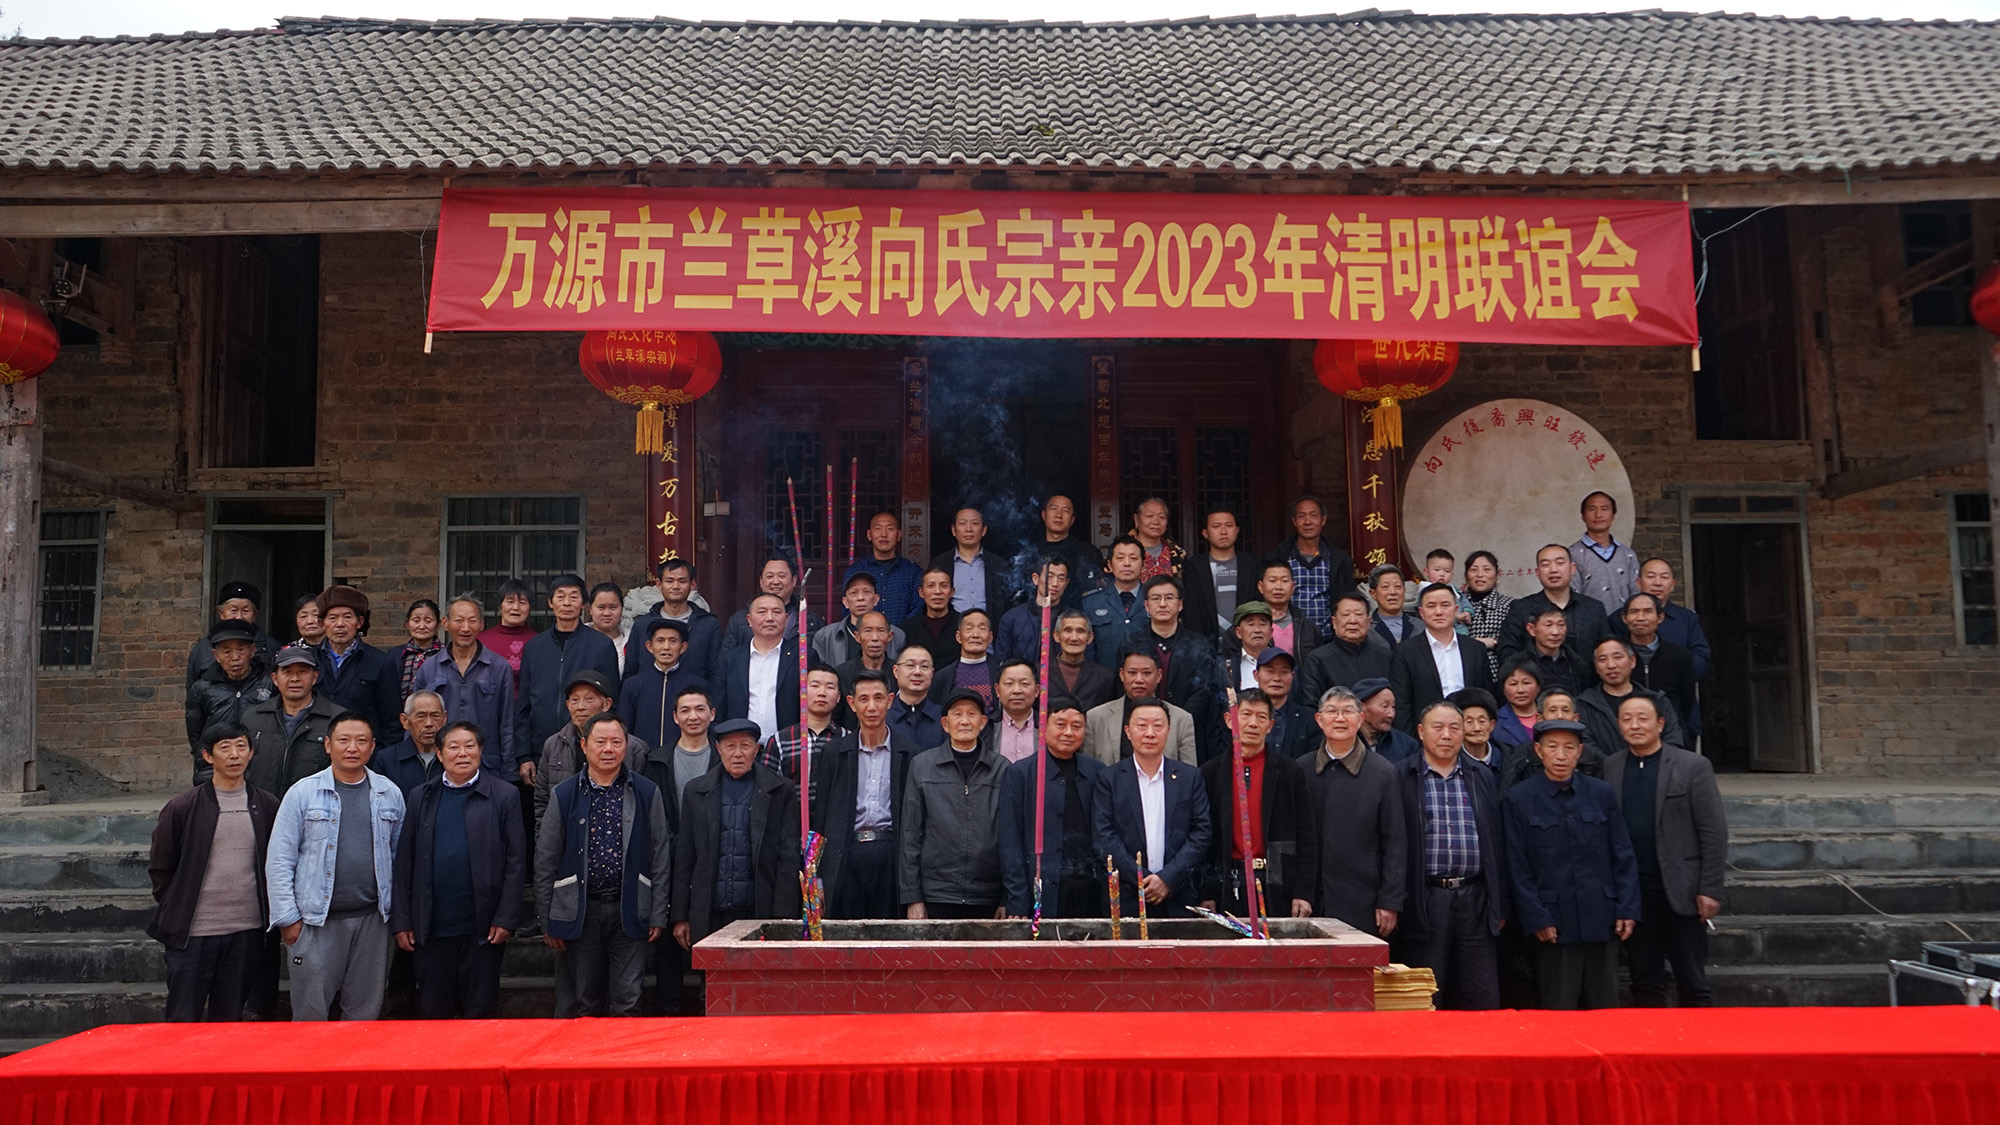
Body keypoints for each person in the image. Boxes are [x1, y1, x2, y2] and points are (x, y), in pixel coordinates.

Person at [265, 711, 405, 1021]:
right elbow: (280, 859)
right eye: (344, 740)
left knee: (364, 1013)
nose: (352, 748)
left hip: (373, 921)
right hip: (316, 922)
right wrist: (288, 919)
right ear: (328, 745)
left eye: (361, 741)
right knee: (311, 1016)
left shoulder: (389, 794)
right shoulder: (302, 793)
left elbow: (398, 857)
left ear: (372, 747)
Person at [535, 713, 671, 1017]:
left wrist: (658, 913)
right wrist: (548, 919)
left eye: (616, 742)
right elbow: (547, 860)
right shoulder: (564, 794)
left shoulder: (647, 792)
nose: (609, 749)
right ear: (584, 745)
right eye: (600, 742)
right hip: (582, 911)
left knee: (628, 999)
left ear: (627, 745)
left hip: (630, 908)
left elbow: (660, 855)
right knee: (585, 1000)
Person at [1502, 718, 1640, 1010]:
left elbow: (1623, 855)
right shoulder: (1519, 798)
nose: (1561, 755)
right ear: (1539, 751)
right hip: (1554, 921)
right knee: (1558, 1007)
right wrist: (1537, 918)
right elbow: (1517, 866)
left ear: (1580, 752)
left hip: (1602, 916)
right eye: (1552, 747)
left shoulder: (1601, 793)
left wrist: (1627, 907)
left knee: (1605, 1008)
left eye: (1569, 747)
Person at [390, 721, 524, 1019]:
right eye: (453, 747)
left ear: (481, 751)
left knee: (480, 1013)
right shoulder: (421, 796)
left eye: (469, 746)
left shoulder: (504, 795)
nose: (462, 753)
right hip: (432, 927)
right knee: (434, 1013)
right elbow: (405, 861)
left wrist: (506, 918)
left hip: (483, 928)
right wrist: (402, 920)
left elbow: (516, 862)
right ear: (439, 754)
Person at [1605, 693, 1728, 1008]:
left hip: (1682, 890)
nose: (1635, 725)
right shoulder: (1611, 766)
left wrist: (1710, 889)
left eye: (1643, 718)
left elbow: (1713, 832)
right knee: (1644, 982)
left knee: (1693, 982)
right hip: (1635, 893)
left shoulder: (1692, 766)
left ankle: (1697, 1037)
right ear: (1619, 725)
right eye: (1627, 719)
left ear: (1660, 724)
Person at [148, 722, 277, 1022]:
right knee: (183, 1019)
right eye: (225, 747)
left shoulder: (266, 805)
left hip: (246, 932)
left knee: (229, 1020)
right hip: (193, 933)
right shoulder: (182, 807)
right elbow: (161, 868)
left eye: (241, 746)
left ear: (251, 752)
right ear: (208, 756)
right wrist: (177, 906)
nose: (235, 755)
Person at [1394, 701, 1508, 1011]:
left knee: (1481, 994)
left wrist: (1499, 900)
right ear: (1420, 732)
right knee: (1426, 993)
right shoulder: (1401, 775)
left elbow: (1496, 842)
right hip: (1425, 897)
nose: (1447, 735)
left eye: (1454, 727)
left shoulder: (1481, 774)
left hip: (1475, 896)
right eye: (1438, 727)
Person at [671, 718, 802, 955]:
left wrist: (783, 916)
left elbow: (788, 858)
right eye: (730, 746)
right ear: (718, 749)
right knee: (711, 974)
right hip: (710, 908)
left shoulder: (780, 791)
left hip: (760, 907)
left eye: (745, 746)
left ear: (757, 749)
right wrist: (681, 915)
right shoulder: (696, 791)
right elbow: (685, 857)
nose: (738, 754)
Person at [637, 684, 720, 1014]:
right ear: (674, 717)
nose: (693, 716)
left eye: (700, 709)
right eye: (685, 710)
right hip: (668, 862)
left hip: (713, 862)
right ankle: (668, 1012)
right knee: (668, 944)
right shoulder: (656, 761)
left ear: (712, 714)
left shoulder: (723, 758)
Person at [1198, 689, 1314, 919]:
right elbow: (1204, 838)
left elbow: (1307, 836)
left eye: (1261, 717)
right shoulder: (1210, 773)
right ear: (1229, 720)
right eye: (1246, 715)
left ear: (1270, 726)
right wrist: (1206, 891)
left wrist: (1303, 892)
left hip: (1277, 877)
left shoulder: (1290, 772)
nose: (1253, 723)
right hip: (1226, 879)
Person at [812, 671, 919, 920]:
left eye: (878, 698)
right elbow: (820, 819)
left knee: (889, 935)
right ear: (851, 703)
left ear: (890, 700)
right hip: (845, 853)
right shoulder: (833, 753)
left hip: (890, 854)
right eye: (863, 699)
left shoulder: (909, 753)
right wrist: (816, 879)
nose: (871, 707)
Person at [1302, 687, 1407, 938]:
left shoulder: (1383, 772)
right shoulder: (1300, 769)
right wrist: (1289, 891)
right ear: (1319, 719)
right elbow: (1282, 839)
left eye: (1348, 711)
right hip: (1308, 901)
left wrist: (1390, 900)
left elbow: (1395, 843)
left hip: (1364, 901)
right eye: (1332, 711)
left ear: (1361, 719)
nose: (1340, 718)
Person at [1093, 697, 1212, 917]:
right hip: (1125, 897)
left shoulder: (1190, 777)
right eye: (1141, 725)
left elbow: (1201, 832)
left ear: (1168, 731)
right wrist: (1142, 879)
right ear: (1128, 732)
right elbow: (1104, 836)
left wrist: (1167, 879)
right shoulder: (1109, 779)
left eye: (1158, 726)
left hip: (1178, 896)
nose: (1150, 733)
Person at [901, 690, 1010, 919]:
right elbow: (911, 835)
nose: (964, 721)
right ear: (945, 723)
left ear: (982, 722)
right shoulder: (922, 766)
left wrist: (1006, 898)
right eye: (957, 714)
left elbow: (1011, 838)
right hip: (936, 893)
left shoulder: (1001, 769)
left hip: (987, 893)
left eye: (972, 714)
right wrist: (913, 897)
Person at [997, 696, 1105, 919]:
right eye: (1060, 724)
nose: (1068, 733)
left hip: (1090, 886)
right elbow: (1010, 840)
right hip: (1043, 886)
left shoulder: (1097, 771)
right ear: (1043, 727)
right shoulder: (1021, 773)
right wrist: (1017, 899)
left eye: (1077, 726)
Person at [515, 573, 623, 789]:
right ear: (550, 602)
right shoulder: (534, 648)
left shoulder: (601, 646)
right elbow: (523, 705)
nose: (566, 603)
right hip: (542, 748)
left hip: (588, 747)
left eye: (573, 597)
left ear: (583, 604)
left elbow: (612, 702)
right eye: (560, 596)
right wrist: (524, 755)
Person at [410, 595, 517, 776]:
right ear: (445, 623)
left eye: (472, 621)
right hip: (438, 767)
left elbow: (508, 723)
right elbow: (414, 722)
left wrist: (509, 771)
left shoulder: (499, 668)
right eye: (459, 621)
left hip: (487, 767)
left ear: (481, 624)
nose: (466, 628)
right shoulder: (429, 669)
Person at [533, 670, 654, 820]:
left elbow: (645, 804)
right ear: (567, 705)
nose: (580, 707)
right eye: (574, 700)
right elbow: (543, 802)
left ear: (606, 704)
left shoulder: (635, 748)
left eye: (589, 699)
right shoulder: (553, 745)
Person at [1390, 582, 1498, 733]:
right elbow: (1402, 704)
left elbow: (1486, 696)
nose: (1438, 612)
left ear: (1456, 609)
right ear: (1421, 612)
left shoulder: (1475, 649)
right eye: (1431, 606)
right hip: (1427, 736)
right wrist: (1411, 741)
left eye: (1445, 605)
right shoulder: (1405, 652)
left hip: (1470, 733)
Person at [242, 644, 342, 796]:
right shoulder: (252, 718)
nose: (295, 679)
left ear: (315, 677)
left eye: (302, 672)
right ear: (275, 678)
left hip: (313, 806)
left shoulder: (337, 720)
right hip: (261, 805)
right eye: (287, 672)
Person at [184, 618, 274, 780]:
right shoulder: (202, 688)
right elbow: (196, 735)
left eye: (241, 649)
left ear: (252, 650)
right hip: (216, 769)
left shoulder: (270, 683)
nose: (235, 657)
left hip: (260, 767)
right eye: (227, 652)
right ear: (216, 655)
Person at [312, 585, 401, 745]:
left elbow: (391, 721)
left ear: (359, 622)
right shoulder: (309, 660)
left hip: (361, 749)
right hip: (316, 747)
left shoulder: (380, 662)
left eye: (347, 617)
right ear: (321, 623)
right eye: (332, 618)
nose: (340, 624)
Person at [1498, 544, 1612, 668]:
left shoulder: (1594, 608)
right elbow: (1508, 653)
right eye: (1546, 564)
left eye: (1560, 563)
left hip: (1586, 679)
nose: (1553, 570)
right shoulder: (1521, 608)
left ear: (1572, 568)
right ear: (1537, 572)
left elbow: (1607, 651)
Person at [1084, 650, 1198, 766]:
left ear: (1158, 676)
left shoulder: (1181, 719)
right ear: (1122, 675)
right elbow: (1088, 770)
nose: (1139, 680)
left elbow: (1189, 772)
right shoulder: (1096, 718)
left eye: (1146, 673)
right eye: (1132, 673)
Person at [623, 557, 723, 685]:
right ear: (659, 584)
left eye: (682, 581)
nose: (675, 586)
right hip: (649, 694)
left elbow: (715, 674)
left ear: (692, 584)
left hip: (694, 695)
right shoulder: (643, 624)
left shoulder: (708, 624)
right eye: (669, 581)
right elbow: (631, 672)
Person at [1578, 638, 1687, 755]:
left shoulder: (1658, 701)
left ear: (1633, 661)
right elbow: (1585, 745)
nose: (1611, 665)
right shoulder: (1584, 704)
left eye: (1617, 657)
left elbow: (1673, 739)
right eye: (1602, 659)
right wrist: (1613, 764)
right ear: (1596, 667)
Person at [718, 593, 802, 743]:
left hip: (788, 745)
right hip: (741, 746)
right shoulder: (730, 659)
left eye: (776, 612)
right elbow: (719, 707)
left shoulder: (802, 657)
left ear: (786, 619)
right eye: (762, 612)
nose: (769, 618)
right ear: (749, 620)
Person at [1267, 495, 1356, 633]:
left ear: (1323, 519)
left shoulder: (1339, 560)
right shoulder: (1279, 557)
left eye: (1313, 516)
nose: (1307, 522)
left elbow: (1349, 599)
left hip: (1328, 637)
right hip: (1288, 636)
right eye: (1302, 516)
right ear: (1294, 521)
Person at [616, 618, 707, 752]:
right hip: (643, 758)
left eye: (673, 641)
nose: (666, 647)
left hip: (682, 755)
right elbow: (624, 729)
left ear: (683, 647)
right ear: (649, 646)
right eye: (660, 641)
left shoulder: (696, 686)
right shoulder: (633, 685)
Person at [757, 665, 849, 796]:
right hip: (790, 809)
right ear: (802, 692)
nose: (822, 693)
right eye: (815, 686)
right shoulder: (780, 741)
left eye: (830, 687)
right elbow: (766, 790)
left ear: (838, 697)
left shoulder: (848, 739)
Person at [1619, 592, 1699, 736]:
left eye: (1648, 611)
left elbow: (1686, 701)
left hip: (1669, 734)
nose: (1641, 617)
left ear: (1660, 617)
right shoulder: (1617, 656)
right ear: (1624, 618)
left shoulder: (1680, 656)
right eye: (1634, 612)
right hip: (1627, 733)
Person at [1297, 591, 1393, 706]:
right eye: (1345, 615)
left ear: (1368, 622)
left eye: (1359, 614)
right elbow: (1310, 705)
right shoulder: (1318, 659)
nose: (1352, 621)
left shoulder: (1386, 657)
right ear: (1334, 622)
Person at [185, 581, 277, 691]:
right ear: (221, 613)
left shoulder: (270, 646)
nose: (239, 617)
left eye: (246, 611)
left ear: (255, 614)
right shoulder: (202, 649)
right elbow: (193, 692)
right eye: (233, 610)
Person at [721, 555, 825, 651]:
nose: (775, 582)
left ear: (794, 581)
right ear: (761, 581)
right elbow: (728, 658)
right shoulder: (739, 620)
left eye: (781, 576)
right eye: (770, 576)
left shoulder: (811, 621)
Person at [843, 509, 925, 626]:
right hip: (865, 636)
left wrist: (898, 633)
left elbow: (918, 609)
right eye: (878, 529)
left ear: (899, 535)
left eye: (890, 529)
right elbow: (848, 610)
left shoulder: (912, 572)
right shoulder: (856, 570)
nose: (884, 534)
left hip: (903, 635)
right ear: (869, 535)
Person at [812, 572, 908, 667]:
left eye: (866, 592)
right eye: (854, 593)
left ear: (876, 599)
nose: (860, 598)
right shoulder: (825, 636)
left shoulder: (897, 635)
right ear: (845, 602)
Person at [1080, 536, 1148, 667]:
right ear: (1110, 565)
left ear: (1143, 565)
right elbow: (1086, 649)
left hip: (1143, 676)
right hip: (1103, 677)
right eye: (1120, 558)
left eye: (1133, 558)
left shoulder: (1154, 599)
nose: (1127, 563)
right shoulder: (1091, 602)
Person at [1571, 491, 1642, 616]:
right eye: (1592, 509)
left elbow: (1636, 593)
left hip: (1623, 623)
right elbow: (1572, 595)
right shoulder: (1572, 554)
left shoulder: (1627, 554)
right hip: (1588, 623)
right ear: (1583, 516)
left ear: (1613, 515)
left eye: (1604, 509)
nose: (1598, 515)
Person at [932, 506, 1013, 615]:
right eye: (962, 523)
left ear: (983, 530)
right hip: (952, 625)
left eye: (975, 523)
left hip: (989, 624)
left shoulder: (998, 565)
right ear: (954, 530)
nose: (968, 529)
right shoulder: (940, 564)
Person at [1183, 507, 1248, 638]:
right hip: (1204, 643)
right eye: (1216, 526)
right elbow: (1191, 612)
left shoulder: (1251, 564)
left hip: (1246, 643)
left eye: (1229, 526)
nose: (1223, 531)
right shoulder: (1195, 567)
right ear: (1205, 533)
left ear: (1237, 530)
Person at [1028, 494, 1106, 603]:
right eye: (1054, 508)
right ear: (1044, 515)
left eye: (1065, 510)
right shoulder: (1029, 554)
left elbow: (1100, 589)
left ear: (1072, 520)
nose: (1058, 515)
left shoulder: (1089, 552)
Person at [996, 557, 1073, 665]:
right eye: (1049, 577)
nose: (1055, 584)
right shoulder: (1012, 618)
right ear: (1036, 579)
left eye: (1061, 578)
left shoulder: (1074, 620)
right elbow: (1002, 661)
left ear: (1066, 583)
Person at [372, 690, 447, 799]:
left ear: (444, 718)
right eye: (421, 716)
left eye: (435, 715)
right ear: (405, 721)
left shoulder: (454, 757)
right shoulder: (387, 759)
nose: (429, 724)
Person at [1252, 648, 1319, 761]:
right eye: (1270, 671)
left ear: (1293, 676)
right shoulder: (1242, 716)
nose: (1277, 678)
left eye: (1284, 672)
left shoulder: (1309, 719)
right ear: (1256, 675)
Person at [930, 608, 1000, 713]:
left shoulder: (1001, 672)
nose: (975, 635)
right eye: (969, 629)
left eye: (982, 629)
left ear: (990, 637)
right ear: (958, 637)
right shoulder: (942, 677)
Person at [1049, 609, 1118, 710]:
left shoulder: (1104, 678)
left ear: (1090, 637)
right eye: (1068, 631)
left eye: (1080, 631)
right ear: (1056, 636)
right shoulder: (1042, 672)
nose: (1074, 638)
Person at [1256, 561, 1323, 663]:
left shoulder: (1308, 627)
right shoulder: (1248, 627)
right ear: (1260, 586)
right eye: (1272, 581)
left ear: (1293, 587)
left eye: (1285, 581)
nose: (1278, 587)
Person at [1462, 551, 1515, 679]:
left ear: (1497, 575)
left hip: (1500, 674)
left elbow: (1516, 642)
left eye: (1486, 569)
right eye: (1473, 570)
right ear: (1466, 575)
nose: (1480, 575)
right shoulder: (1454, 604)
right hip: (1462, 671)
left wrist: (1494, 642)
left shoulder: (1510, 605)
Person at [897, 567, 963, 668]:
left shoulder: (964, 624)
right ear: (921, 592)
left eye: (944, 586)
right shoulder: (907, 628)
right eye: (930, 586)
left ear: (952, 591)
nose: (937, 592)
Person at [478, 578, 538, 686]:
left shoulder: (538, 641)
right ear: (500, 607)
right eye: (510, 602)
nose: (516, 608)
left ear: (530, 609)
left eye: (522, 602)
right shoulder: (480, 641)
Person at [1520, 605, 1587, 695]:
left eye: (1561, 625)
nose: (1556, 632)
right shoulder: (1519, 664)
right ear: (1531, 629)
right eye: (1548, 625)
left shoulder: (1577, 664)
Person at [1352, 677, 1421, 764]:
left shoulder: (1407, 745)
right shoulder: (1344, 742)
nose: (1391, 714)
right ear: (1361, 707)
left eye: (1393, 707)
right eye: (1384, 706)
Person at [888, 646, 945, 749]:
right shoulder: (883, 717)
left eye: (924, 666)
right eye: (910, 665)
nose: (917, 672)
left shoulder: (944, 717)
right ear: (896, 671)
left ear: (932, 673)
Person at [989, 659, 1042, 764]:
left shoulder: (1047, 726)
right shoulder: (986, 726)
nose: (1017, 690)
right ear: (997, 690)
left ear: (1037, 690)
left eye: (1024, 684)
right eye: (1009, 684)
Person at [1449, 688, 1506, 776]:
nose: (1477, 728)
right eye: (1469, 722)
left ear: (1492, 725)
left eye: (1482, 721)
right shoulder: (1450, 762)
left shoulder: (1509, 759)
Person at [1492, 656, 1544, 752]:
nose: (1520, 690)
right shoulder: (1496, 723)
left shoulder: (1551, 715)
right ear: (1503, 689)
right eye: (1513, 684)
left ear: (1538, 686)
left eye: (1526, 683)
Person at [395, 599, 444, 700]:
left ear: (438, 625)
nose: (422, 626)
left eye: (428, 621)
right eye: (416, 621)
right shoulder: (395, 654)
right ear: (408, 624)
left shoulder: (446, 655)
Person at [1127, 497, 1186, 580]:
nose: (1155, 522)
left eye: (1161, 517)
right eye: (1149, 516)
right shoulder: (1124, 550)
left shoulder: (1177, 552)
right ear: (1136, 519)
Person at [1223, 601, 1275, 691]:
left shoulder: (1285, 664)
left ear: (1271, 632)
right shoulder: (1226, 668)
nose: (1257, 630)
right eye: (1251, 624)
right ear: (1239, 632)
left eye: (1262, 624)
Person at [1420, 549, 1473, 636]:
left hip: (1460, 630)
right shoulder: (1424, 590)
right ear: (1426, 572)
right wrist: (1454, 617)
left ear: (1452, 574)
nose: (1442, 574)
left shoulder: (1454, 590)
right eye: (1437, 570)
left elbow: (1464, 602)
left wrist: (1467, 612)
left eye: (1447, 571)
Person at [1366, 564, 1418, 648]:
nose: (1393, 592)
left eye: (1398, 586)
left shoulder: (1421, 627)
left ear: (1404, 591)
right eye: (1385, 587)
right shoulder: (1366, 628)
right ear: (1373, 594)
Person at [587, 582, 629, 669]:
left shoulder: (632, 641)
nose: (607, 613)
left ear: (622, 609)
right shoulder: (577, 639)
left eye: (613, 607)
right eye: (601, 607)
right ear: (590, 609)